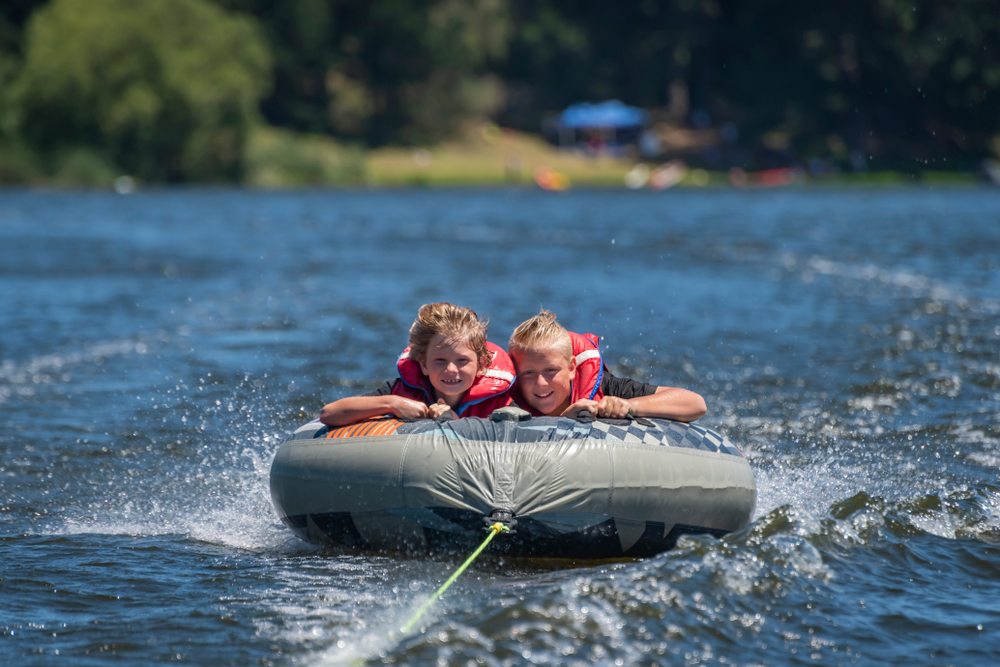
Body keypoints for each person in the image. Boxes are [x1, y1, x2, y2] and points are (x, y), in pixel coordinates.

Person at [320, 303, 514, 426]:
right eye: (440, 360)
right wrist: (393, 404)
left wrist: (456, 423)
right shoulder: (399, 390)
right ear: (424, 365)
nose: (451, 369)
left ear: (480, 365)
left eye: (462, 360)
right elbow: (329, 413)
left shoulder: (502, 404)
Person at [507, 309, 706, 421]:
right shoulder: (504, 400)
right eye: (528, 372)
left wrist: (630, 405)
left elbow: (696, 404)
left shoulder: (604, 387)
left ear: (571, 368)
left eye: (551, 370)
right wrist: (563, 420)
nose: (541, 383)